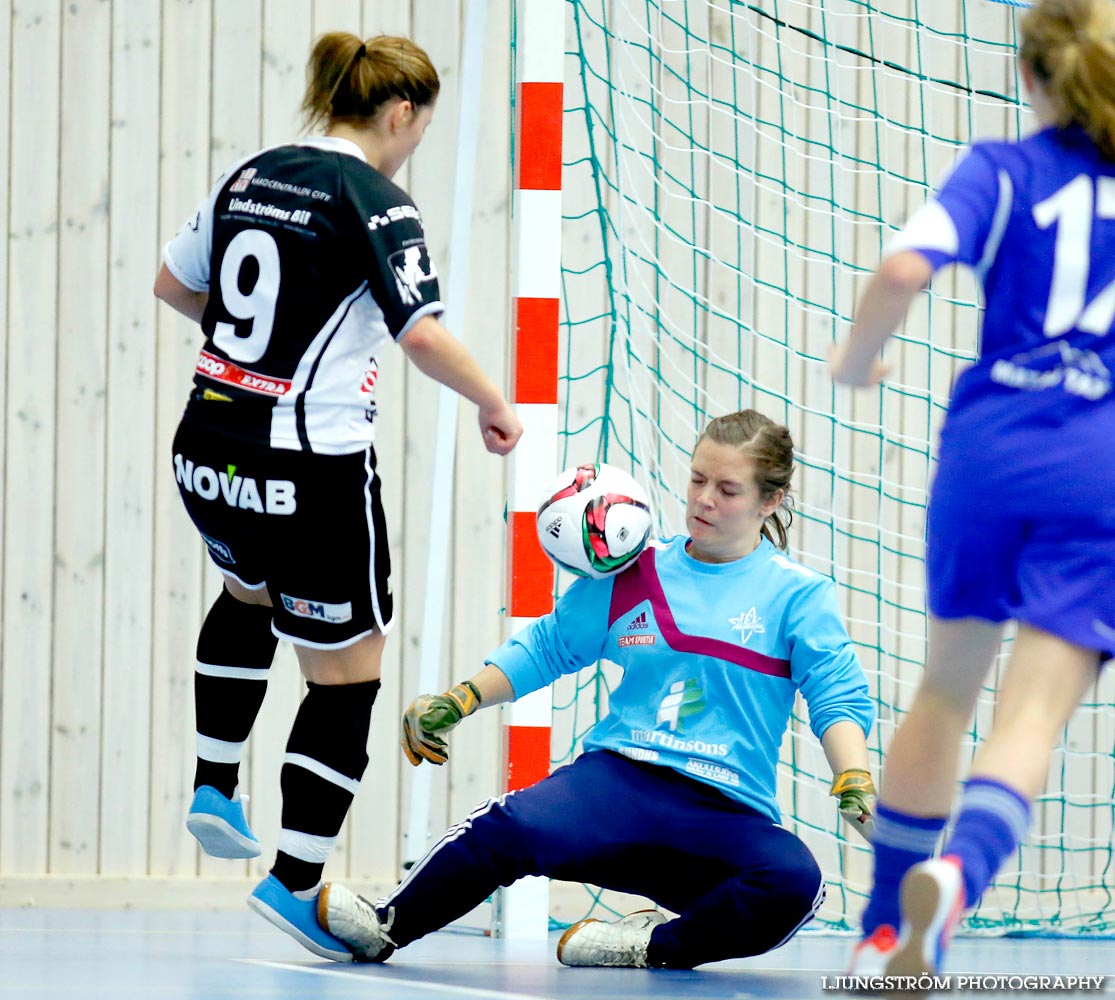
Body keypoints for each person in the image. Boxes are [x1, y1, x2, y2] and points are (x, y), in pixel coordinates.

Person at [152, 32, 522, 961]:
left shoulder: (250, 175)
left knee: (245, 595)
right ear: (400, 114)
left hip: (208, 446)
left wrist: (261, 351)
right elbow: (422, 335)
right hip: (309, 471)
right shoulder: (377, 201)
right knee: (348, 675)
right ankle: (295, 880)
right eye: (417, 133)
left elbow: (172, 284)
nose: (411, 150)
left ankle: (212, 781)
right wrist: (492, 401)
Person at [313, 409, 877, 969]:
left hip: (724, 812)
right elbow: (548, 647)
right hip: (617, 786)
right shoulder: (636, 570)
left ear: (769, 501)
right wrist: (460, 699)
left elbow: (836, 695)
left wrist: (853, 777)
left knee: (794, 884)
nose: (704, 499)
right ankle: (386, 927)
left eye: (728, 489)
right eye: (698, 479)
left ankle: (647, 948)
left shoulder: (800, 596)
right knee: (505, 828)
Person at [830, 0, 1115, 978]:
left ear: (1032, 78)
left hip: (987, 449)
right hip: (1097, 461)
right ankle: (950, 884)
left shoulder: (999, 169)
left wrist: (857, 356)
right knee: (1030, 717)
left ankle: (879, 932)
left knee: (943, 693)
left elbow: (902, 266)